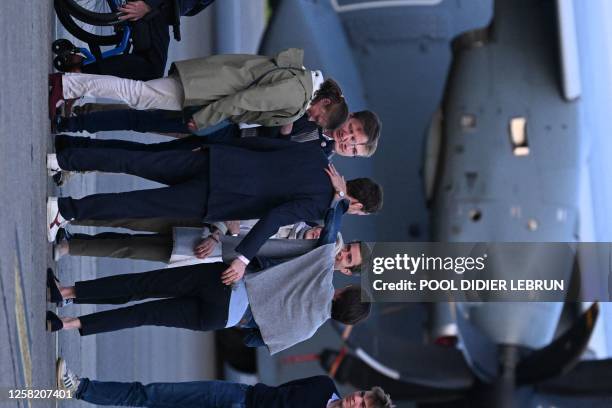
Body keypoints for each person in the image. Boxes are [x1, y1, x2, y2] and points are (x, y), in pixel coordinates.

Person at [46, 137, 384, 282]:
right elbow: (274, 218)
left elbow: (265, 144)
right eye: (356, 212)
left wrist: (218, 148)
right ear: (354, 203)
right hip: (220, 197)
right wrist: (242, 258)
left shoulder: (317, 156)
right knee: (138, 203)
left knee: (137, 160)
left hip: (217, 158)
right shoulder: (318, 204)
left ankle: (61, 159)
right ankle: (65, 209)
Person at [45, 244, 371, 354]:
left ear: (343, 291)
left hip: (227, 285)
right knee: (143, 315)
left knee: (143, 284)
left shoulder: (320, 276)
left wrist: (342, 195)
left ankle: (68, 293)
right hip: (220, 319)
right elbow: (254, 342)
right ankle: (69, 324)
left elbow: (329, 241)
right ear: (341, 319)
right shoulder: (307, 331)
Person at [49, 48, 349, 131]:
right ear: (324, 101)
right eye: (318, 117)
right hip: (206, 91)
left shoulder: (300, 73)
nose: (311, 119)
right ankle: (67, 84)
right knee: (137, 94)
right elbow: (247, 99)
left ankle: (69, 84)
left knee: (138, 97)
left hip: (207, 81)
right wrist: (205, 118)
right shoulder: (298, 94)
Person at [56, 358, 394, 407]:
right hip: (238, 397)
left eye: (362, 407)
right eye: (362, 395)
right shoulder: (323, 385)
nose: (356, 401)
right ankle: (81, 387)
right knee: (152, 394)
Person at [53, 109, 382, 158]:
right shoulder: (324, 107)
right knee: (149, 121)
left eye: (354, 145)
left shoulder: (320, 159)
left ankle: (75, 149)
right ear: (349, 118)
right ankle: (76, 122)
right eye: (352, 131)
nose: (347, 139)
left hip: (230, 152)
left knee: (149, 156)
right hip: (231, 121)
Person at [64, 0, 216, 81]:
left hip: (162, 9)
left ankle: (82, 70)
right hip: (156, 6)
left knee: (151, 62)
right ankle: (81, 73)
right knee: (153, 67)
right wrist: (148, 5)